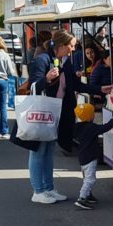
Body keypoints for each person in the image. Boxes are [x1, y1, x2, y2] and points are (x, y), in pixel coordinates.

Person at [26, 29, 78, 204]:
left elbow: (73, 84)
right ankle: (38, 191)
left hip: (54, 112)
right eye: (71, 46)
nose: (73, 50)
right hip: (42, 111)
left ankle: (48, 188)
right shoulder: (42, 60)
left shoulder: (62, 60)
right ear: (61, 45)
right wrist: (46, 79)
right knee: (39, 151)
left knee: (48, 151)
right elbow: (32, 85)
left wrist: (99, 89)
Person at [72, 102, 113, 210]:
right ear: (90, 116)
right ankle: (82, 198)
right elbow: (105, 128)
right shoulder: (91, 127)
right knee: (90, 179)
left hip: (82, 157)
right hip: (90, 157)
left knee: (86, 178)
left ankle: (88, 195)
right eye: (92, 113)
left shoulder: (77, 127)